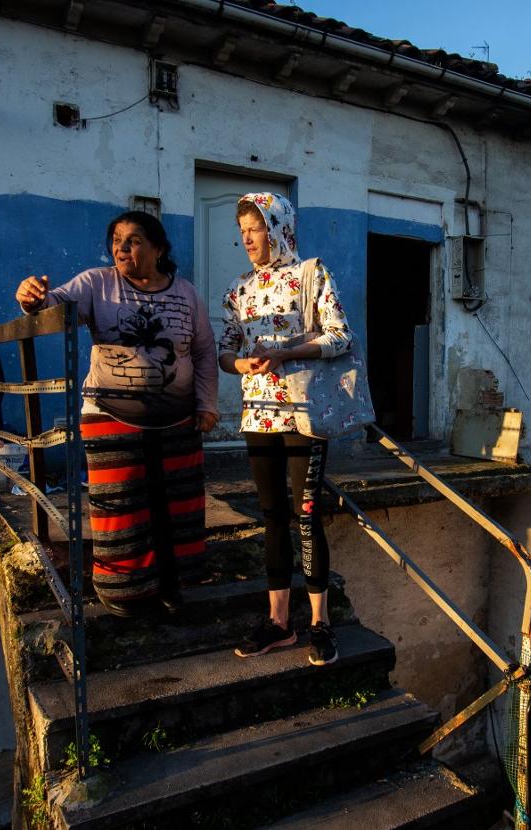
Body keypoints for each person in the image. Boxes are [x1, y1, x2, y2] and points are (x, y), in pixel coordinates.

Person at [15, 211, 218, 617]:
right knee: (120, 504)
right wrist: (31, 299)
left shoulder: (188, 294)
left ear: (159, 249)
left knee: (173, 504)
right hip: (110, 415)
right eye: (117, 240)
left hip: (177, 418)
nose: (122, 248)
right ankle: (122, 591)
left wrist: (207, 404)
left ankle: (172, 584)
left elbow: (202, 351)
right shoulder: (97, 283)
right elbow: (53, 308)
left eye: (134, 240)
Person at [218, 193, 353, 666]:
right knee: (273, 515)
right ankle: (278, 624)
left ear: (277, 227)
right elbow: (224, 352)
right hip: (257, 415)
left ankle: (320, 623)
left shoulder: (311, 276)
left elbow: (340, 336)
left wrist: (287, 352)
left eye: (255, 229)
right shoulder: (239, 290)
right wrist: (241, 363)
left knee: (306, 513)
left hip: (304, 415)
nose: (247, 239)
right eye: (242, 231)